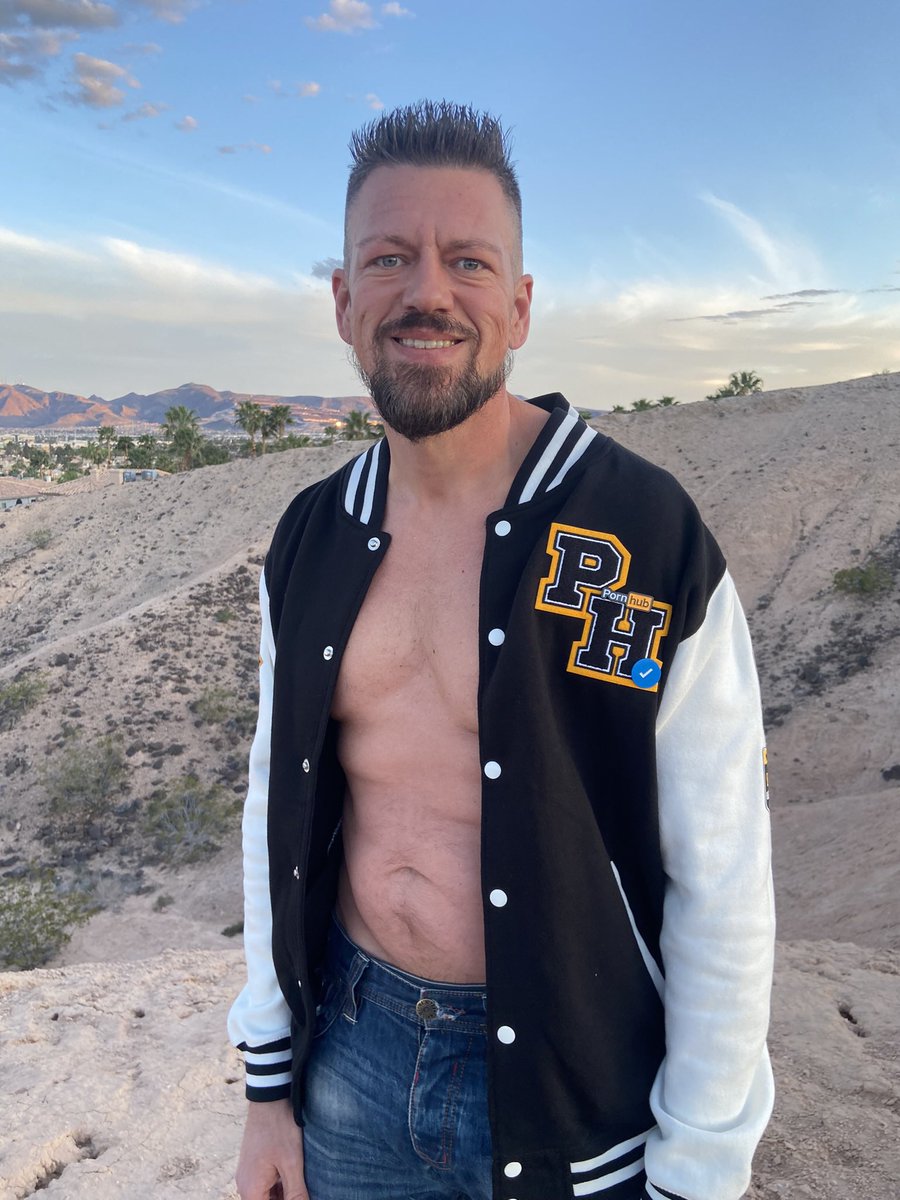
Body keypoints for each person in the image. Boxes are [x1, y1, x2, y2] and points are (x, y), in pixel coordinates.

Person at [228, 100, 775, 1200]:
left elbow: (720, 874)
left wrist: (700, 1169)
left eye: (467, 261)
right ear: (343, 302)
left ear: (519, 307)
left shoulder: (641, 537)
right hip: (353, 1059)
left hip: (577, 1092)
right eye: (389, 257)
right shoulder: (312, 538)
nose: (427, 291)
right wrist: (267, 1089)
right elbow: (272, 804)